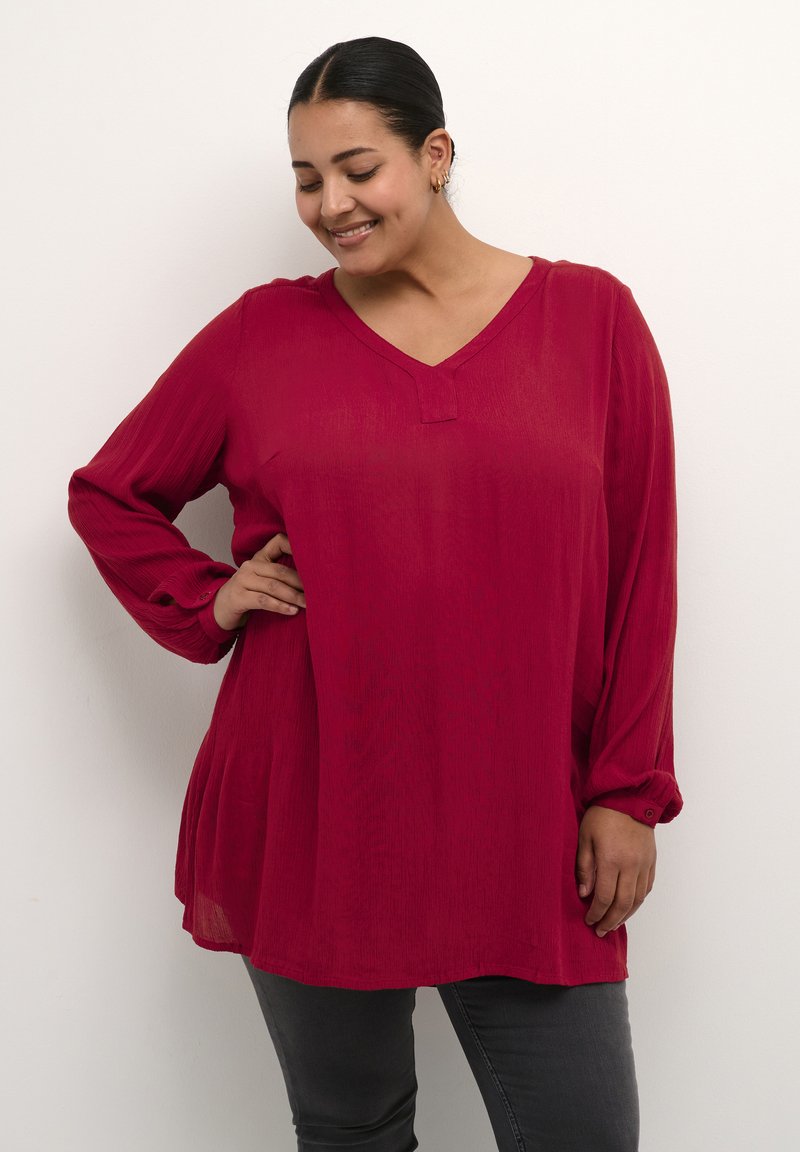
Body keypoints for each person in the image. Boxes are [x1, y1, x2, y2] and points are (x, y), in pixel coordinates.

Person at [68, 34, 683, 1152]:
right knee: (351, 1133)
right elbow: (111, 494)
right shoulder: (261, 336)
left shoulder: (591, 322)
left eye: (358, 169)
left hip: (524, 824)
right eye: (306, 178)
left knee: (583, 1133)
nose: (330, 205)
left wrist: (627, 794)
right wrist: (210, 597)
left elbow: (642, 572)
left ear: (435, 155)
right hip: (315, 808)